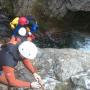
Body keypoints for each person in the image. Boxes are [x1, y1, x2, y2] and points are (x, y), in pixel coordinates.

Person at [0, 19, 44, 89]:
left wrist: (34, 73)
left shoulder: (20, 44)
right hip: (3, 59)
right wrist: (30, 85)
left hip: (3, 52)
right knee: (9, 83)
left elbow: (25, 60)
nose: (27, 59)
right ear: (22, 54)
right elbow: (12, 82)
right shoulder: (8, 62)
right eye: (26, 56)